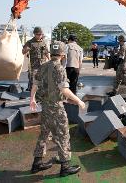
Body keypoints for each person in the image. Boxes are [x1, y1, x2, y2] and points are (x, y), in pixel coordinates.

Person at [30, 41, 85, 176]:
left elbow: (35, 85)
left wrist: (32, 99)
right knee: (63, 134)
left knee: (44, 134)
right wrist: (78, 101)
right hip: (56, 107)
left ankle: (37, 163)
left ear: (51, 52)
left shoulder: (42, 67)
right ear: (62, 54)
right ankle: (65, 166)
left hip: (45, 106)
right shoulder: (59, 68)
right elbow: (64, 90)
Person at [22, 27, 50, 91]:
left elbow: (46, 52)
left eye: (40, 34)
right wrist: (26, 49)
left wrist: (50, 60)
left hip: (42, 63)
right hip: (33, 65)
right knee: (33, 78)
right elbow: (23, 52)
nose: (39, 36)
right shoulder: (30, 42)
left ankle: (40, 91)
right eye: (38, 34)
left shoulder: (43, 42)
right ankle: (31, 90)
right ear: (34, 34)